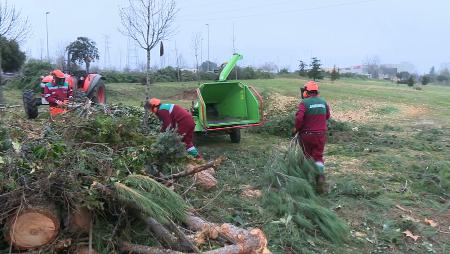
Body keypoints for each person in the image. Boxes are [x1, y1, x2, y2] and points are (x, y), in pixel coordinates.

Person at [293, 81, 331, 194]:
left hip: (307, 135)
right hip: (320, 135)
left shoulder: (304, 103)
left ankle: (304, 179)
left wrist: (296, 128)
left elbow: (299, 118)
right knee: (318, 156)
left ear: (307, 92)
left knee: (306, 156)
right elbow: (327, 116)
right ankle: (319, 177)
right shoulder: (324, 102)